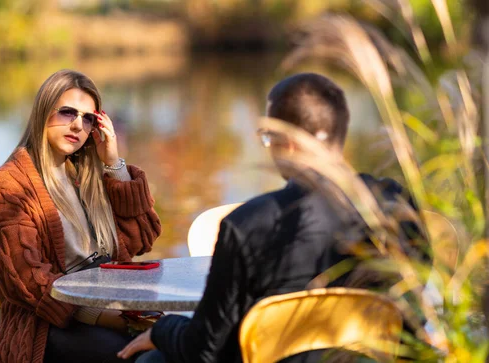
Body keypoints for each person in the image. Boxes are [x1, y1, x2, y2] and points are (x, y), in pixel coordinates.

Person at [118, 73, 424, 363]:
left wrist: (161, 330)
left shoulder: (248, 224)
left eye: (267, 138)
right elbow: (415, 314)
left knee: (151, 359)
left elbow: (205, 351)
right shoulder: (395, 202)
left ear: (286, 142)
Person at [0, 69, 162, 363]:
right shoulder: (9, 185)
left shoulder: (86, 176)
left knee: (184, 342)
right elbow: (28, 282)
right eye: (67, 113)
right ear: (43, 112)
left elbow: (142, 239)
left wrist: (114, 164)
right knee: (145, 355)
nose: (77, 125)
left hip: (110, 303)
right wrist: (107, 317)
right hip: (47, 326)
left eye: (88, 118)